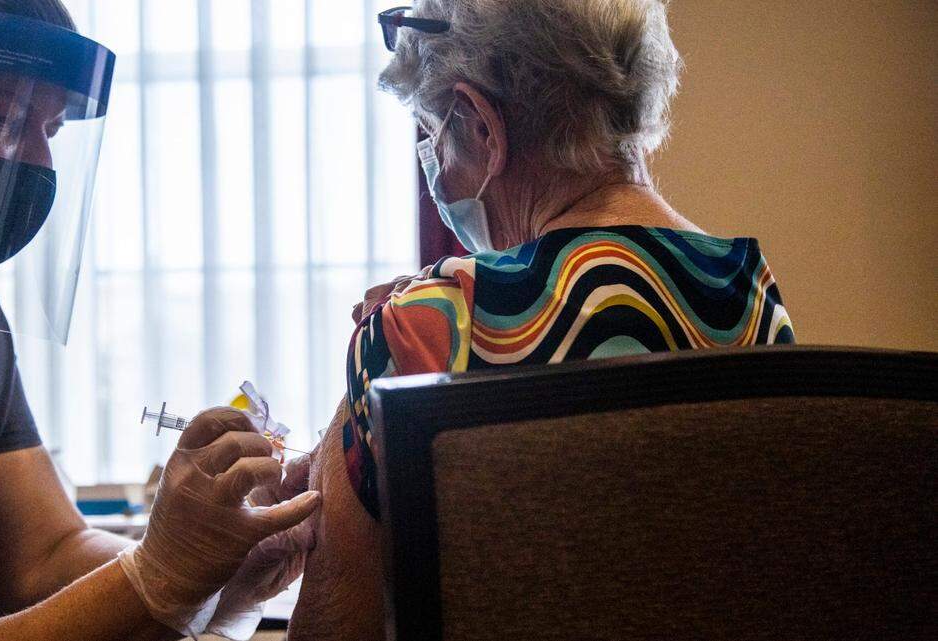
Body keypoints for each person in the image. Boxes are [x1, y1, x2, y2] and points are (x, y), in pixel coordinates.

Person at [0, 2, 318, 639]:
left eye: (52, 130)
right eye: (8, 117)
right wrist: (161, 573)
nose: (40, 165)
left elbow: (46, 557)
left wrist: (216, 563)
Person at [288, 1, 796, 639]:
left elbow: (335, 629)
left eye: (433, 133)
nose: (435, 168)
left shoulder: (420, 328)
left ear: (480, 126)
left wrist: (367, 378)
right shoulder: (751, 300)